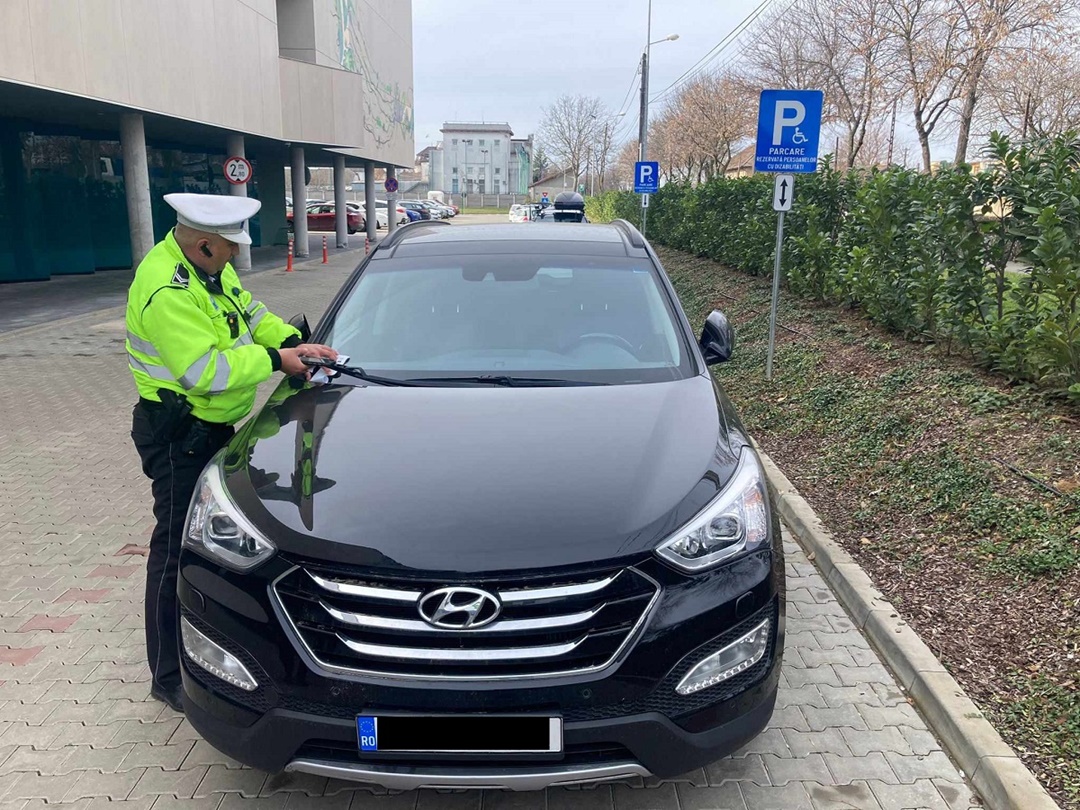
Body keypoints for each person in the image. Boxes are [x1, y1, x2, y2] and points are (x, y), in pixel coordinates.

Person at [125, 193, 337, 711]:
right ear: (203, 244)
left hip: (212, 429)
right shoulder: (167, 290)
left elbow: (251, 314)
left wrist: (294, 342)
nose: (235, 256)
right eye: (229, 248)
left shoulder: (208, 272)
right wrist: (277, 360)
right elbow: (206, 371)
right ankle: (168, 676)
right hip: (178, 436)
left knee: (210, 540)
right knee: (174, 550)